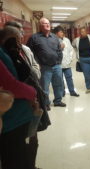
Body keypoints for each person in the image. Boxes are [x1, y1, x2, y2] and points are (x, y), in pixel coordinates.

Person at [0, 27, 40, 169]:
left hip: (22, 113)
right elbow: (11, 85)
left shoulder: (11, 52)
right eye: (17, 37)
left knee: (26, 147)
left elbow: (25, 71)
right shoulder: (4, 53)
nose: (20, 40)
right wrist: (32, 92)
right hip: (12, 118)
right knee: (16, 157)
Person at [27, 18, 66, 109]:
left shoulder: (54, 37)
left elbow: (59, 50)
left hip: (56, 66)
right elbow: (30, 52)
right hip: (44, 67)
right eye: (45, 23)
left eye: (48, 23)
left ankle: (58, 101)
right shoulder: (34, 38)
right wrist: (36, 63)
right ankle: (46, 103)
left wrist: (59, 61)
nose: (48, 25)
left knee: (58, 84)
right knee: (44, 87)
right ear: (40, 26)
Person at [54, 26, 79, 97]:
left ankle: (72, 91)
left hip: (67, 64)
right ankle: (62, 92)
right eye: (61, 32)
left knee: (69, 78)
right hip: (58, 64)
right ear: (56, 33)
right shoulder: (53, 40)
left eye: (63, 32)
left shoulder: (67, 40)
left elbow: (71, 50)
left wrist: (70, 59)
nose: (63, 33)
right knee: (60, 79)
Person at [72, 28, 90, 94]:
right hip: (83, 60)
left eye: (84, 31)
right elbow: (73, 45)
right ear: (80, 32)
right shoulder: (76, 40)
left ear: (87, 32)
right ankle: (88, 88)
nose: (83, 33)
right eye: (81, 32)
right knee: (86, 75)